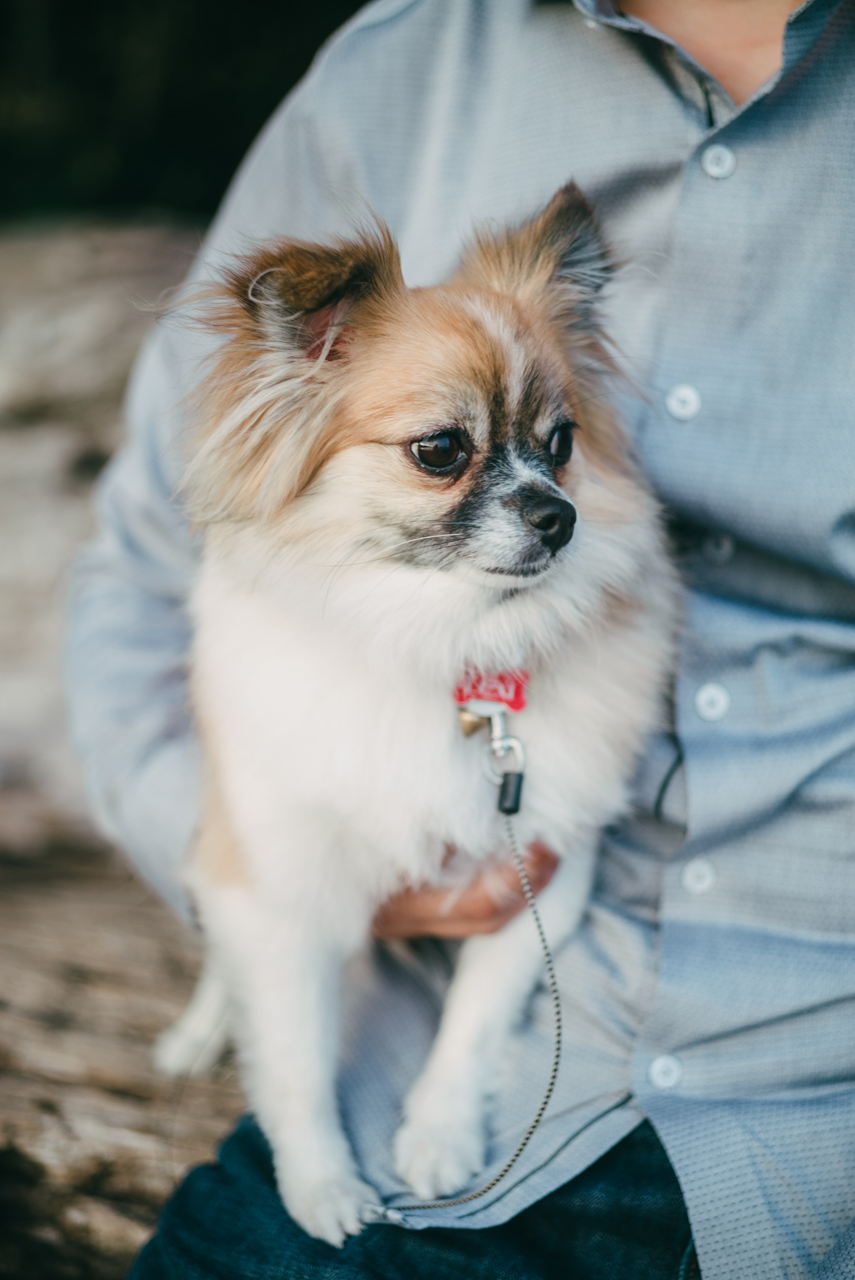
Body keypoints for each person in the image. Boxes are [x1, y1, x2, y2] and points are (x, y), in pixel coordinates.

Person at [65, 1, 855, 1276]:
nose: (533, 498)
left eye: (547, 450)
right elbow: (143, 574)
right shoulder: (404, 63)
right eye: (445, 454)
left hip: (811, 1085)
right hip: (394, 1096)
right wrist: (233, 868)